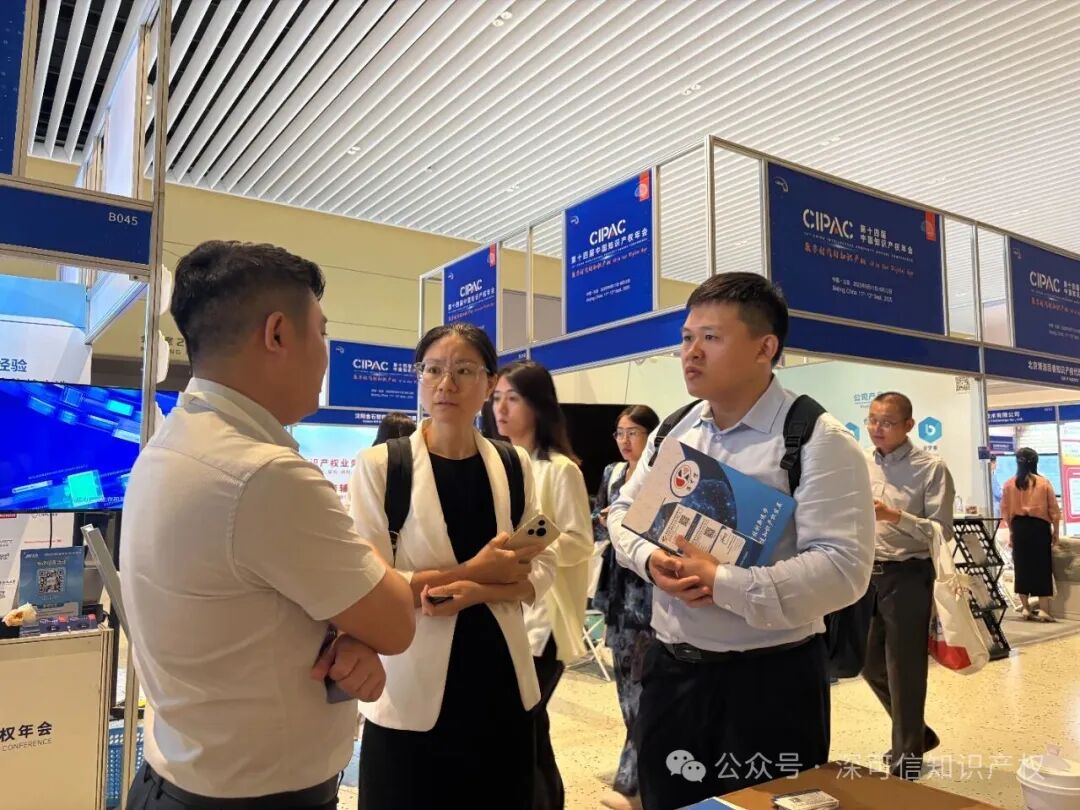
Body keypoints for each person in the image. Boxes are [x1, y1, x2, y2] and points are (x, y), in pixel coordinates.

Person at [120, 241, 416, 809]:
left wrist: (342, 630)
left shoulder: (173, 443)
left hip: (176, 780)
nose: (326, 353)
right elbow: (397, 622)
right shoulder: (263, 475)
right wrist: (358, 621)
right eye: (322, 332)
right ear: (278, 334)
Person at [607, 272, 875, 810]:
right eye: (687, 338)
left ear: (764, 347)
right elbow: (622, 515)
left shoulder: (816, 439)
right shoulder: (674, 430)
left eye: (711, 337)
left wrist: (721, 582)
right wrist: (651, 559)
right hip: (671, 674)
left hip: (770, 684)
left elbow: (844, 568)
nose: (691, 352)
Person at [349, 323, 556, 810]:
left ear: (489, 383)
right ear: (419, 378)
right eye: (433, 370)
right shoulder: (382, 466)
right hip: (410, 688)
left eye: (464, 371)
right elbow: (371, 585)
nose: (446, 384)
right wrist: (477, 570)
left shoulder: (512, 464)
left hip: (501, 681)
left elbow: (541, 566)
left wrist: (479, 590)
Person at [488, 359, 593, 810]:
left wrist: (526, 548)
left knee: (525, 723)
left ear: (538, 405)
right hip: (506, 611)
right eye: (497, 398)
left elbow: (579, 540)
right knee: (529, 728)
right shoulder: (497, 464)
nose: (501, 409)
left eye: (513, 398)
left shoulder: (560, 469)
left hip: (545, 619)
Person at [860, 391, 955, 780]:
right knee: (867, 664)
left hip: (909, 573)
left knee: (905, 668)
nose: (877, 428)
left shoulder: (930, 468)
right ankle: (919, 734)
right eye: (872, 420)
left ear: (909, 425)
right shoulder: (861, 463)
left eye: (886, 422)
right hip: (867, 573)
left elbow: (942, 531)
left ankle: (907, 758)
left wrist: (896, 516)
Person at [592, 405, 660, 810]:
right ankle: (644, 774)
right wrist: (606, 520)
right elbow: (595, 520)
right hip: (617, 588)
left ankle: (631, 782)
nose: (624, 441)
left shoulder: (660, 474)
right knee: (625, 688)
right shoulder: (612, 473)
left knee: (644, 687)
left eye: (633, 432)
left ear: (651, 436)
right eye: (619, 433)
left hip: (649, 591)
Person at [1002, 447, 1060, 622]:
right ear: (1035, 462)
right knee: (1042, 567)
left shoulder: (1009, 484)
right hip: (1039, 528)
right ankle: (1043, 610)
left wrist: (1012, 532)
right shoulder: (1043, 483)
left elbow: (1006, 512)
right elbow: (1054, 510)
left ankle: (1026, 608)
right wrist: (1056, 532)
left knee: (1021, 567)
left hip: (1019, 527)